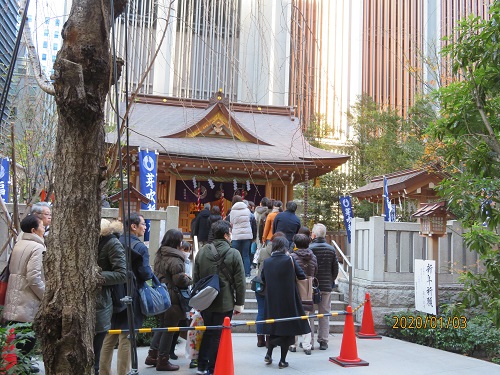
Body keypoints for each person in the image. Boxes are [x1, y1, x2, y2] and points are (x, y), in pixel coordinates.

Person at [99, 214, 154, 375]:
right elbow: (145, 273)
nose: (145, 227)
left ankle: (103, 371)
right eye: (143, 224)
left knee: (109, 336)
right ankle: (123, 372)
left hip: (113, 293)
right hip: (131, 294)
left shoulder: (114, 241)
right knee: (127, 336)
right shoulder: (140, 247)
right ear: (133, 226)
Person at [193, 220, 246, 375]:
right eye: (230, 232)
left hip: (205, 301)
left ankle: (201, 365)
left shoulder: (202, 251)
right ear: (225, 234)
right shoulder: (233, 253)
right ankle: (212, 368)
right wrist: (239, 304)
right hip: (225, 301)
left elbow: (195, 277)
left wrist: (197, 299)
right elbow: (240, 282)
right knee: (218, 335)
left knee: (208, 331)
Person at [3, 214, 46, 372]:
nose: (44, 228)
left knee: (16, 345)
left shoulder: (19, 244)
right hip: (27, 302)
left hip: (14, 300)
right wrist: (45, 296)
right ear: (34, 230)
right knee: (26, 343)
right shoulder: (38, 247)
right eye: (42, 226)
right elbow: (33, 278)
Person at [145, 229, 192, 371]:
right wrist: (188, 279)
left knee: (162, 326)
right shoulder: (176, 258)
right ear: (176, 242)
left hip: (161, 294)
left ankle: (152, 355)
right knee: (169, 328)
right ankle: (163, 360)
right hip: (173, 296)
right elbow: (179, 280)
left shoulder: (159, 255)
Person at [261, 236, 310, 369]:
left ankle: (269, 354)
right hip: (288, 301)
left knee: (273, 329)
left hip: (272, 301)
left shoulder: (267, 262)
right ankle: (282, 361)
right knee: (288, 331)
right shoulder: (290, 260)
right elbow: (302, 276)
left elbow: (262, 278)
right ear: (285, 247)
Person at [94, 219, 127, 375]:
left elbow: (122, 274)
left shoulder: (111, 243)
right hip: (82, 302)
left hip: (100, 302)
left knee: (94, 354)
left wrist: (96, 276)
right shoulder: (90, 240)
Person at [309, 223, 339, 351]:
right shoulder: (331, 249)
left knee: (310, 314)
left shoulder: (310, 248)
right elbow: (335, 269)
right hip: (326, 286)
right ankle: (323, 340)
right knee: (325, 313)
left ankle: (308, 341)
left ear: (314, 235)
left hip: (311, 286)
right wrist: (331, 280)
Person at [254, 232, 285, 348]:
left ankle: (260, 339)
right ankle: (269, 339)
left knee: (261, 312)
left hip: (261, 286)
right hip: (274, 288)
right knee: (273, 313)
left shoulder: (262, 251)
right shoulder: (282, 254)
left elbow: (258, 267)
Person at [289, 233, 317, 355]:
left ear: (296, 244)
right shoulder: (313, 257)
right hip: (308, 289)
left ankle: (293, 344)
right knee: (306, 317)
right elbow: (316, 271)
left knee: (294, 316)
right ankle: (307, 345)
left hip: (295, 289)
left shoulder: (292, 257)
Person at [229, 195, 253, 278]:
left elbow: (231, 221)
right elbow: (250, 219)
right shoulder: (247, 210)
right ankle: (247, 273)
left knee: (235, 255)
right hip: (247, 235)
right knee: (245, 255)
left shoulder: (233, 211)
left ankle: (235, 273)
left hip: (237, 235)